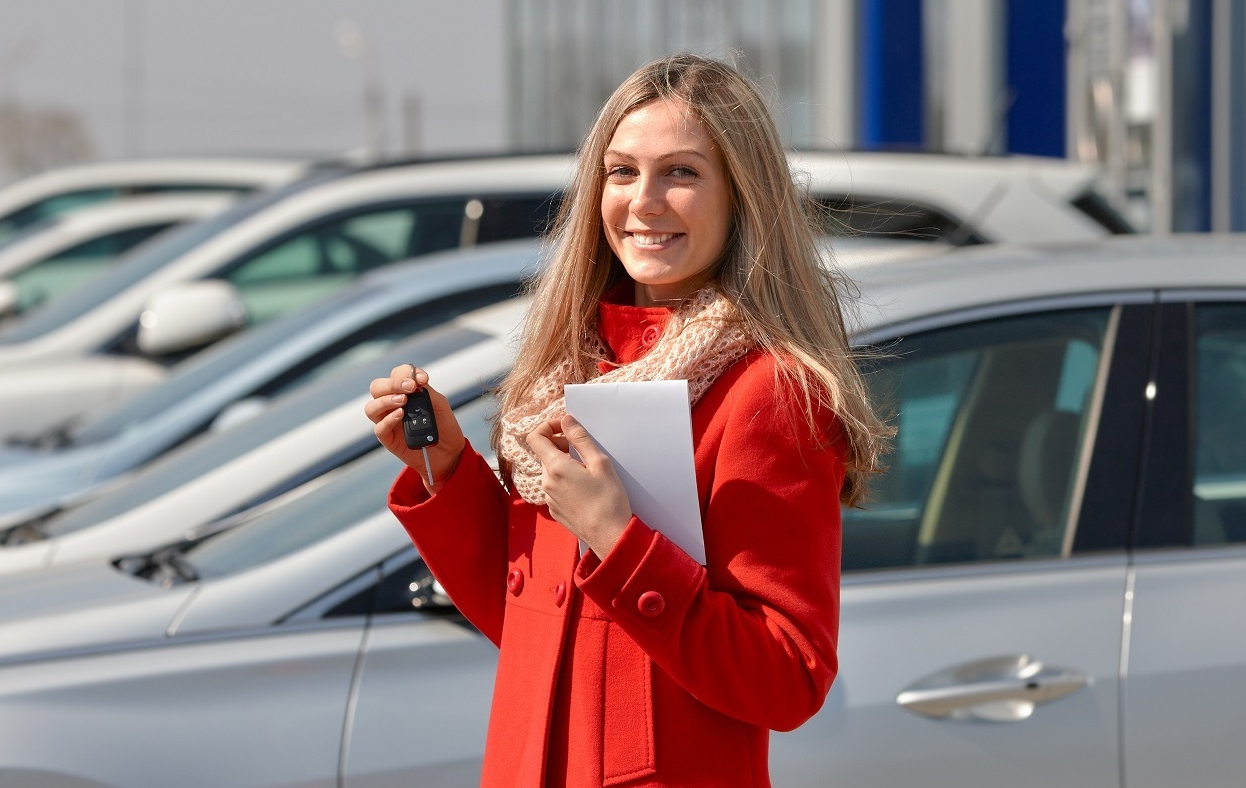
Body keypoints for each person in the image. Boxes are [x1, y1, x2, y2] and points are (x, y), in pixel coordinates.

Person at [365, 54, 888, 787]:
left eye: (680, 172)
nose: (643, 201)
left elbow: (788, 678)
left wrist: (617, 539)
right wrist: (446, 471)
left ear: (743, 196)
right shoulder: (568, 371)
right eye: (621, 172)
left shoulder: (768, 390)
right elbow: (530, 627)